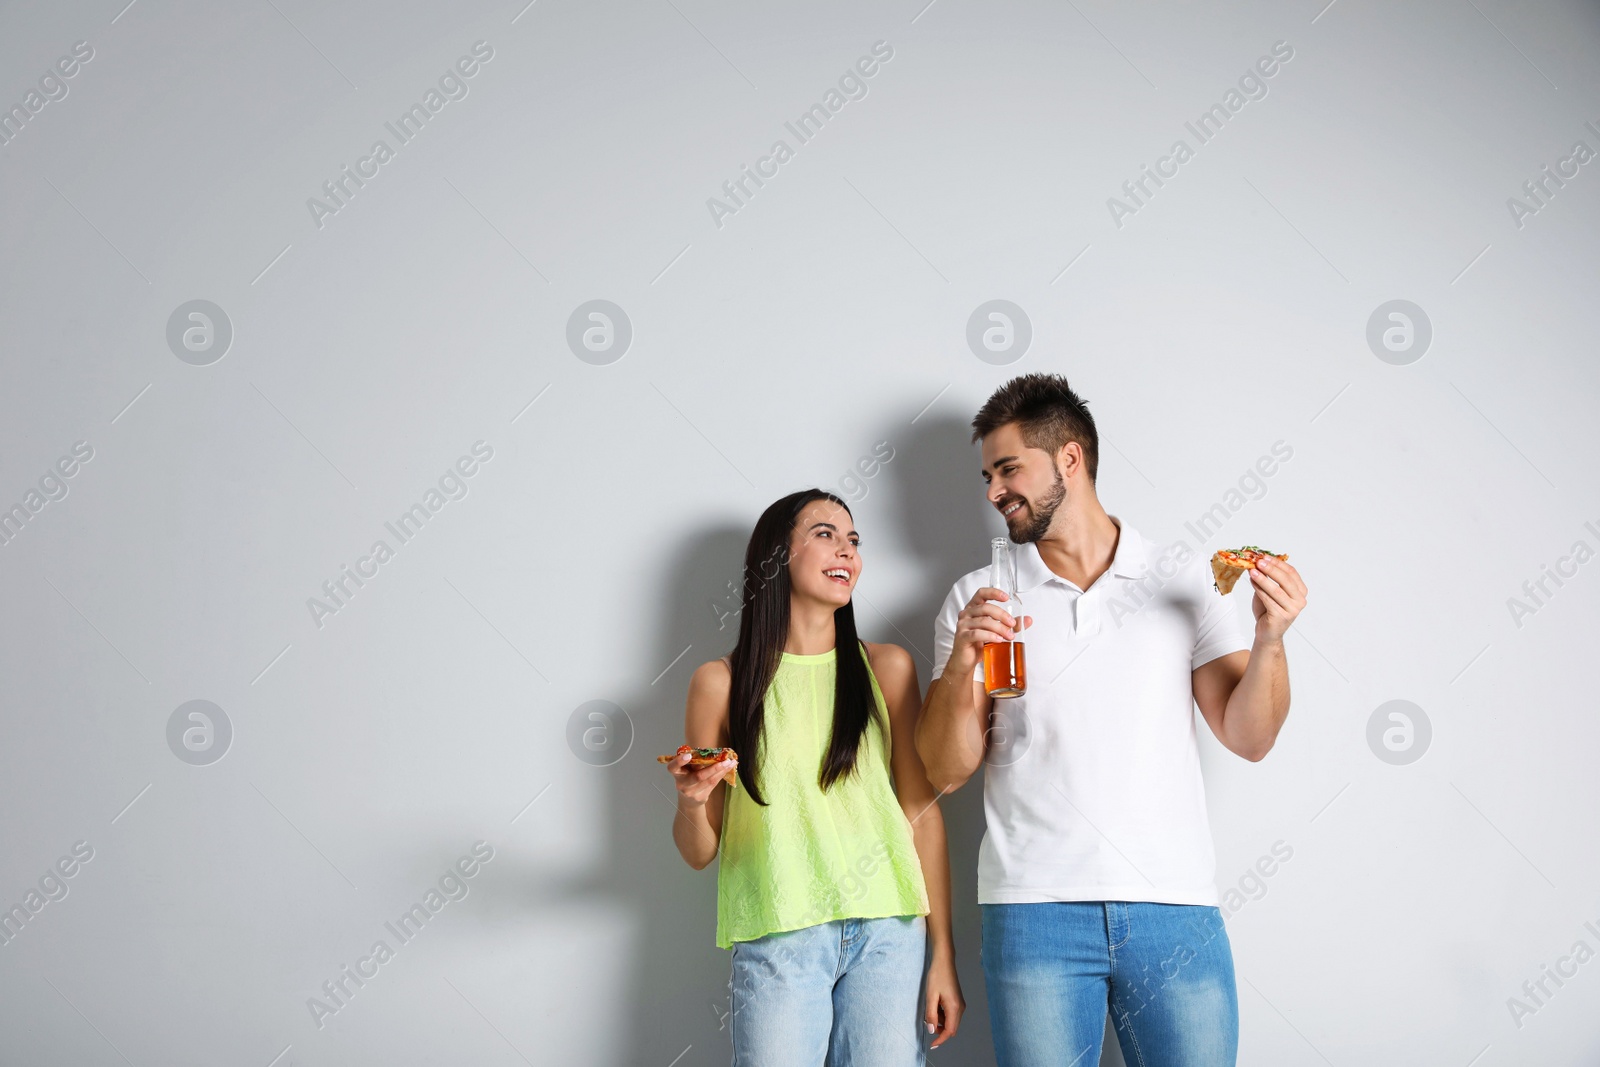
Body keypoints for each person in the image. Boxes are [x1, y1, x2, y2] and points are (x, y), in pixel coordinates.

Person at [915, 374, 1308, 1067]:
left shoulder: (1181, 577)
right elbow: (946, 769)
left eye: (1008, 468)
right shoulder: (980, 597)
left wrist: (1271, 638)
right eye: (986, 474)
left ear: (1070, 458)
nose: (992, 491)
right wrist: (959, 667)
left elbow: (1250, 737)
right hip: (1033, 910)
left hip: (1173, 906)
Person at [667, 488, 964, 1066]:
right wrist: (688, 803)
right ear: (775, 556)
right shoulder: (720, 684)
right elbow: (699, 852)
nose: (847, 551)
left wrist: (942, 953)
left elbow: (921, 816)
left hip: (888, 932)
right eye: (826, 533)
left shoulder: (887, 668)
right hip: (779, 935)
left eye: (854, 540)